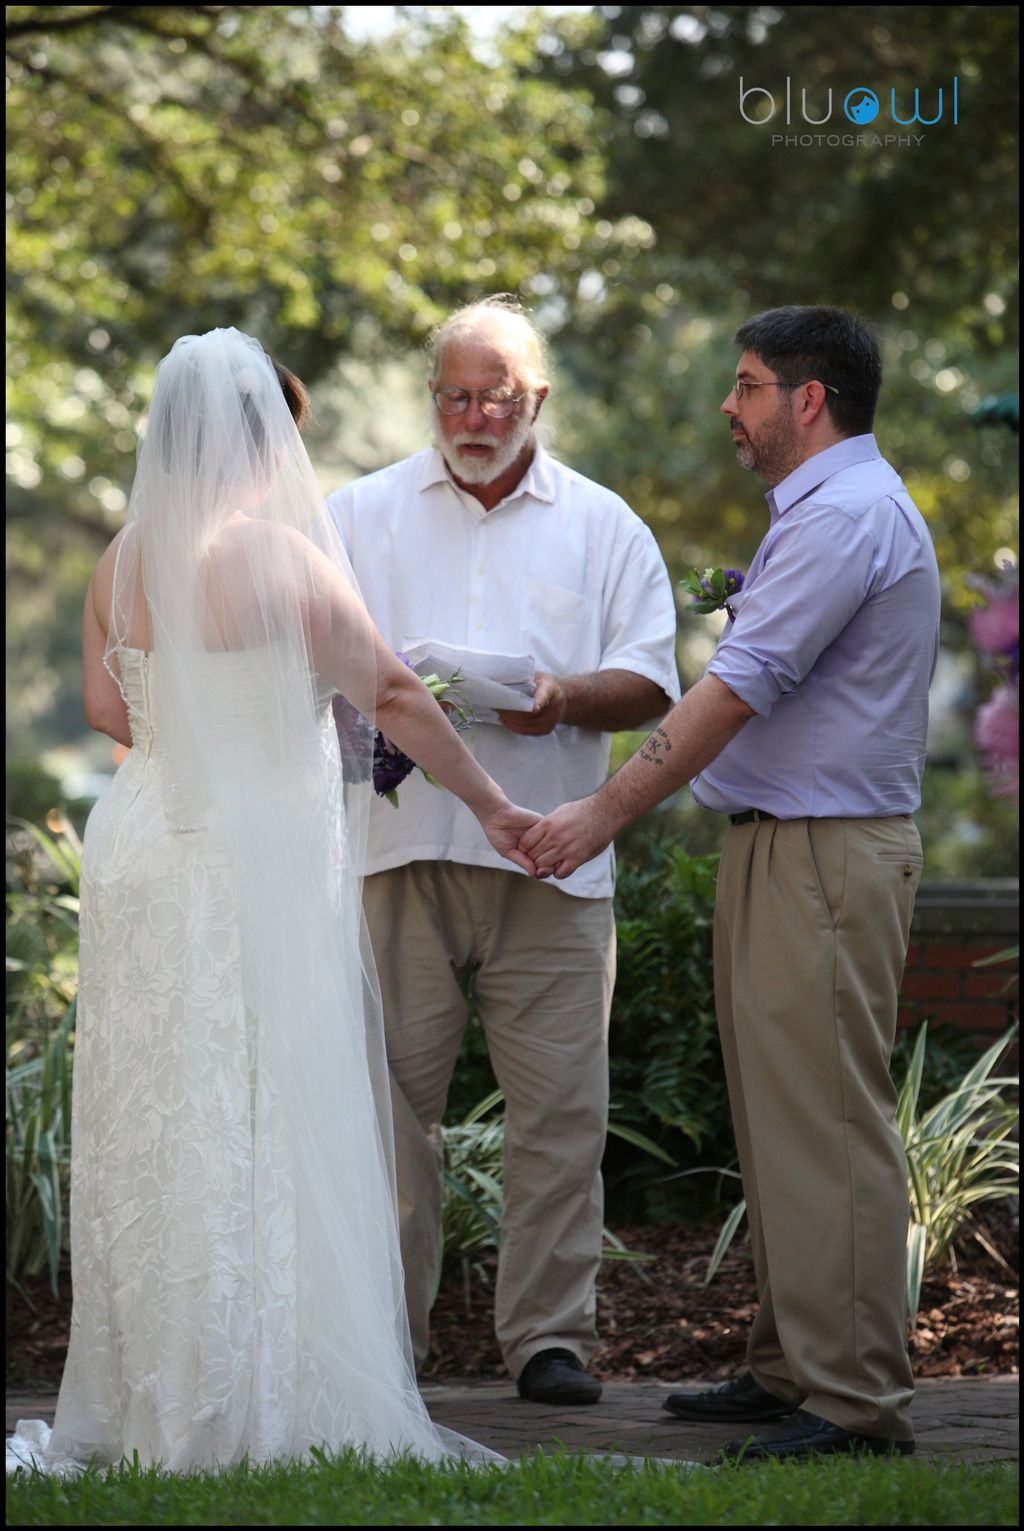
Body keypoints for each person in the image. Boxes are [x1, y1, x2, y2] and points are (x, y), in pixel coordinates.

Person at [8, 329, 539, 1475]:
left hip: (149, 841)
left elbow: (112, 709)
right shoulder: (283, 561)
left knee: (161, 1105)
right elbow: (393, 691)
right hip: (250, 855)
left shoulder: (121, 561)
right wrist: (493, 805)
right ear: (264, 440)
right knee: (261, 1099)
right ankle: (258, 1389)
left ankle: (152, 1396)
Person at [521, 305, 940, 1459]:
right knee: (777, 1119)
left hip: (822, 852)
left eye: (747, 384)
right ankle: (789, 1362)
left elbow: (732, 690)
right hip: (785, 847)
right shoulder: (825, 510)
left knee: (826, 1121)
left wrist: (598, 812)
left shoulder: (844, 514)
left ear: (809, 400)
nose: (730, 405)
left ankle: (853, 1399)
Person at [327, 296, 680, 1405]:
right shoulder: (357, 512)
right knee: (388, 1111)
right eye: (453, 394)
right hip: (397, 848)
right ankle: (388, 1341)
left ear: (538, 400)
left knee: (562, 1114)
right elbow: (312, 664)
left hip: (552, 856)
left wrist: (562, 695)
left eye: (495, 396)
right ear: (433, 395)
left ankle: (547, 1341)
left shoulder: (605, 524)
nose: (472, 415)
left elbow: (653, 679)